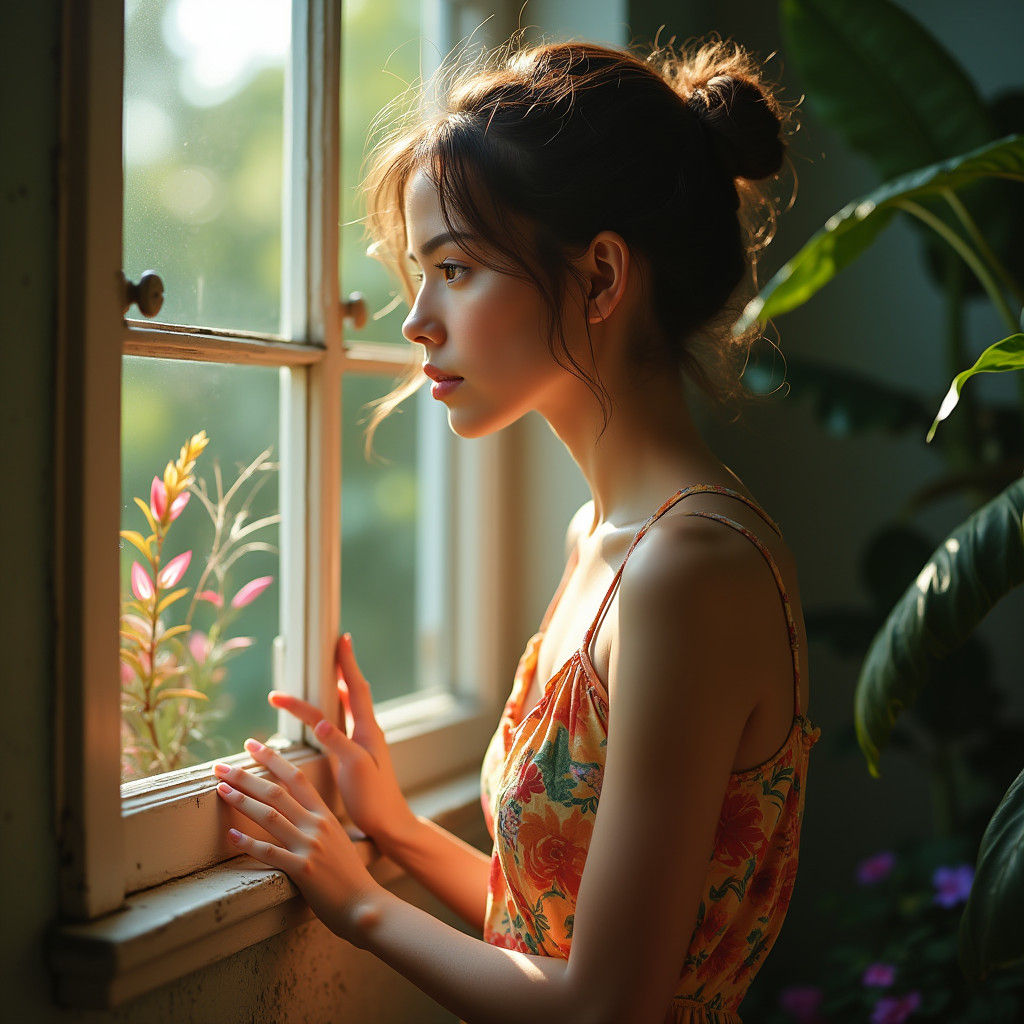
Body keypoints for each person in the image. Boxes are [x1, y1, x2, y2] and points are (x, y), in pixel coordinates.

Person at [213, 33, 819, 1024]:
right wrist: (396, 831)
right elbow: (559, 928)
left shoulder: (689, 567)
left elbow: (603, 1007)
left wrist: (358, 904)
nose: (414, 319)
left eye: (453, 268)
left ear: (600, 277)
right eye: (420, 271)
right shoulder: (607, 536)